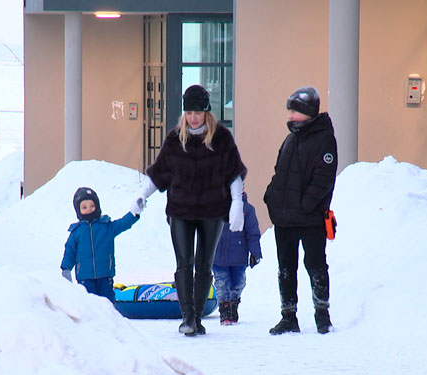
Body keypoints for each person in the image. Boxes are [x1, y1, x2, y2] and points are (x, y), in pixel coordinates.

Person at [137, 84, 247, 336]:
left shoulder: (221, 138)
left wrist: (237, 203)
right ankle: (187, 317)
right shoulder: (176, 138)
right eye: (189, 112)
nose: (193, 116)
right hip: (181, 210)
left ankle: (197, 318)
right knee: (184, 264)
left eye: (198, 111)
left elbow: (234, 172)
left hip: (212, 210)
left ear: (206, 112)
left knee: (204, 264)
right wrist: (143, 195)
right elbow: (161, 171)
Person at [263, 86, 338, 335]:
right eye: (290, 111)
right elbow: (279, 172)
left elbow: (323, 180)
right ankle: (288, 316)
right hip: (284, 219)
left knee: (316, 265)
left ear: (307, 113)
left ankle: (322, 314)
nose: (290, 116)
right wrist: (271, 197)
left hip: (310, 219)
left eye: (294, 111)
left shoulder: (324, 139)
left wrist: (306, 205)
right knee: (286, 267)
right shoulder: (291, 138)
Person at [61, 187, 143, 304]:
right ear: (78, 210)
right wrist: (66, 269)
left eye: (92, 206)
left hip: (105, 275)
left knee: (108, 304)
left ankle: (111, 322)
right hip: (85, 278)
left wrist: (134, 212)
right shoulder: (76, 232)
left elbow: (123, 223)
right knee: (89, 305)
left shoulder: (106, 227)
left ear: (97, 206)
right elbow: (70, 252)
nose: (89, 209)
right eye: (84, 207)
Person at [212, 187, 262, 325]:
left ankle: (234, 303)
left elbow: (253, 234)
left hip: (238, 257)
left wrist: (255, 253)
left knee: (238, 283)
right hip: (217, 256)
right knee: (221, 284)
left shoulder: (247, 210)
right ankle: (225, 310)